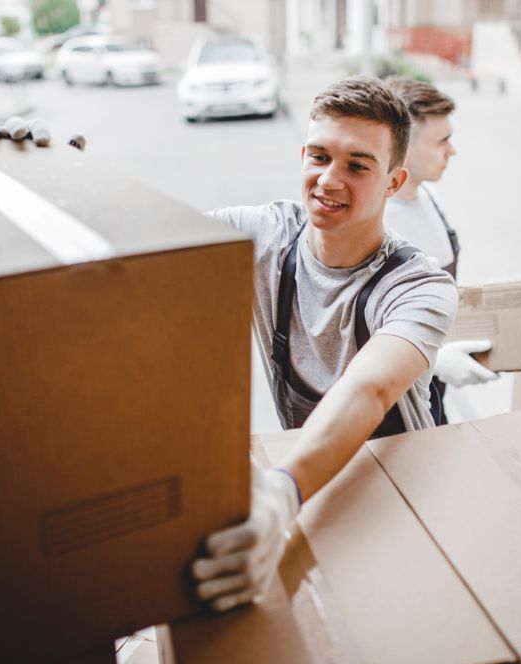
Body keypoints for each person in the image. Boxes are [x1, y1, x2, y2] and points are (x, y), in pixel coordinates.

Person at [191, 76, 458, 612]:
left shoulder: (419, 285)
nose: (329, 180)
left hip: (398, 493)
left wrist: (281, 492)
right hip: (315, 481)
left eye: (358, 165)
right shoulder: (261, 235)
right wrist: (51, 175)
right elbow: (146, 248)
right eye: (319, 156)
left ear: (393, 180)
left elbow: (370, 389)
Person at [383, 78, 497, 421]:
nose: (453, 150)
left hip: (435, 398)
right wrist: (434, 362)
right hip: (394, 408)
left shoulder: (432, 198)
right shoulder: (378, 227)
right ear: (403, 146)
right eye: (442, 141)